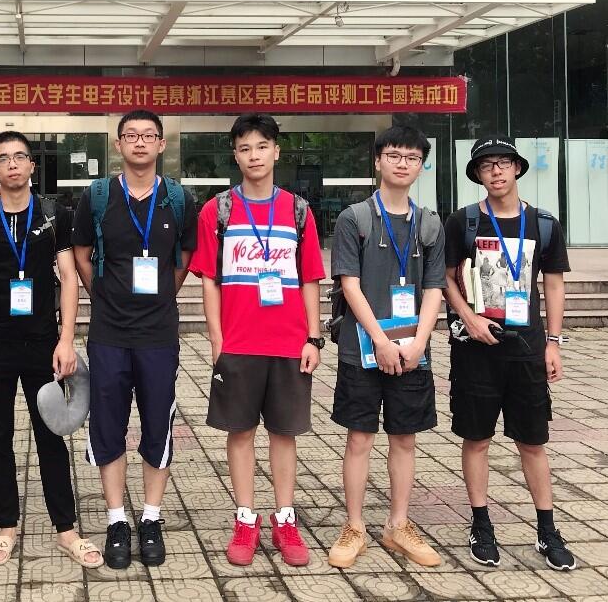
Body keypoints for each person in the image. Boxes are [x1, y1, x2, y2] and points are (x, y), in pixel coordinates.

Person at [0, 130, 102, 569]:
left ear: (32, 166)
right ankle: (6, 527)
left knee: (51, 436)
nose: (13, 165)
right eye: (4, 159)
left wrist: (66, 339)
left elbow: (69, 278)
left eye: (20, 157)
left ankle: (66, 529)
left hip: (42, 344)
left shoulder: (54, 214)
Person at [189, 113, 325, 568]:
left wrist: (313, 338)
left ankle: (285, 518)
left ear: (276, 151)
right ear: (235, 155)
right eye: (245, 148)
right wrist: (217, 340)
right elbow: (209, 279)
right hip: (239, 343)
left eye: (262, 146)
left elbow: (310, 278)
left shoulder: (298, 210)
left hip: (289, 344)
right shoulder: (217, 211)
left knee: (284, 434)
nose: (254, 156)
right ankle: (245, 518)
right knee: (240, 432)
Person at [72, 109, 198, 570]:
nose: (140, 142)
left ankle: (150, 517)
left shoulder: (179, 199)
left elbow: (185, 257)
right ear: (118, 144)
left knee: (157, 423)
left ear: (161, 144)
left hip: (158, 334)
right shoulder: (98, 196)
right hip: (108, 333)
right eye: (131, 135)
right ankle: (116, 521)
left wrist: (162, 294)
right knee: (108, 423)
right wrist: (103, 295)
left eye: (148, 135)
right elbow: (82, 253)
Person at [443, 136, 575, 571]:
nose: (496, 171)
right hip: (475, 349)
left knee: (533, 441)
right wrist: (469, 318)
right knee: (476, 438)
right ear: (477, 175)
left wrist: (553, 342)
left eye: (503, 163)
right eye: (486, 165)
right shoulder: (463, 222)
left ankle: (547, 529)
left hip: (527, 348)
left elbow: (553, 284)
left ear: (517, 168)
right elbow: (445, 277)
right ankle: (481, 525)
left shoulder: (544, 223)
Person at [327, 125, 445, 569]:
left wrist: (419, 343)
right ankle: (354, 526)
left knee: (405, 438)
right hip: (362, 348)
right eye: (393, 155)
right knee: (359, 437)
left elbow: (433, 289)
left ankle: (398, 524)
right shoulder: (355, 218)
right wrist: (380, 339)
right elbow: (349, 284)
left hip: (412, 350)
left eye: (412, 158)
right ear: (377, 161)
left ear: (421, 166)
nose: (402, 164)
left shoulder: (429, 222)